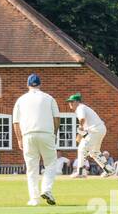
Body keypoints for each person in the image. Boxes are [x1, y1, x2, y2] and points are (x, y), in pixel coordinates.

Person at [11, 73, 61, 206]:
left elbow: (15, 122)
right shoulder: (49, 98)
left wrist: (19, 139)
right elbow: (57, 118)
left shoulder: (21, 100)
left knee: (31, 168)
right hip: (46, 134)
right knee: (50, 164)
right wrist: (54, 134)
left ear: (28, 85)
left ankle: (34, 198)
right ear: (40, 84)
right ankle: (47, 189)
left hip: (28, 135)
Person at [67, 93, 106, 179]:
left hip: (95, 131)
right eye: (69, 102)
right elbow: (85, 128)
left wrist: (80, 128)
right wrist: (80, 134)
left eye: (72, 102)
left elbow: (82, 119)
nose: (70, 103)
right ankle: (109, 169)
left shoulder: (80, 107)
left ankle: (80, 172)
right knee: (94, 152)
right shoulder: (83, 108)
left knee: (82, 148)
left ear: (77, 102)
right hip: (99, 130)